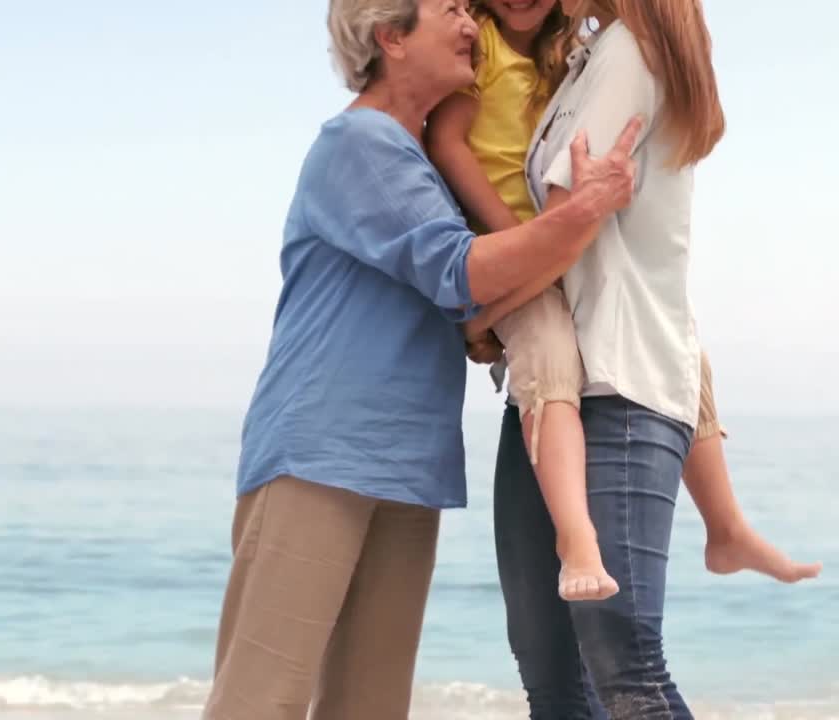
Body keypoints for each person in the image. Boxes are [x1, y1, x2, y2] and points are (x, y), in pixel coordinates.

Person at [200, 1, 642, 718]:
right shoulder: (359, 143)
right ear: (392, 37)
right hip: (322, 453)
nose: (473, 25)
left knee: (370, 706)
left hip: (406, 468)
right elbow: (460, 272)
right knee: (259, 703)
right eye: (452, 11)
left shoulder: (428, 173)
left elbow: (477, 314)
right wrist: (580, 215)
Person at [478, 1, 816, 716]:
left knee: (625, 671)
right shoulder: (590, 59)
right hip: (553, 397)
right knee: (554, 680)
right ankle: (729, 531)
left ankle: (730, 531)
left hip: (617, 392)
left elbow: (567, 231)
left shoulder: (630, 56)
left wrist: (479, 314)